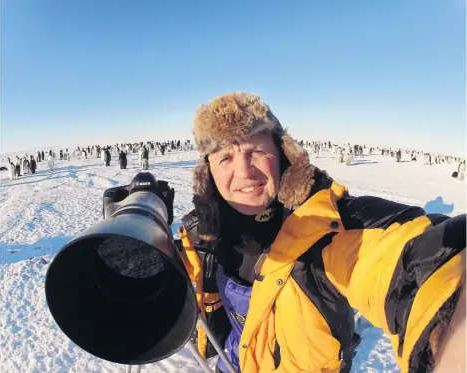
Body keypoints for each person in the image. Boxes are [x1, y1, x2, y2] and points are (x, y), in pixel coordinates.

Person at [176, 92, 465, 373]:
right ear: (208, 172)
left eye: (257, 151)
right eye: (225, 158)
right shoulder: (203, 236)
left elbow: (409, 258)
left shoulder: (326, 227)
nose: (244, 171)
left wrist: (452, 314)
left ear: (282, 156)